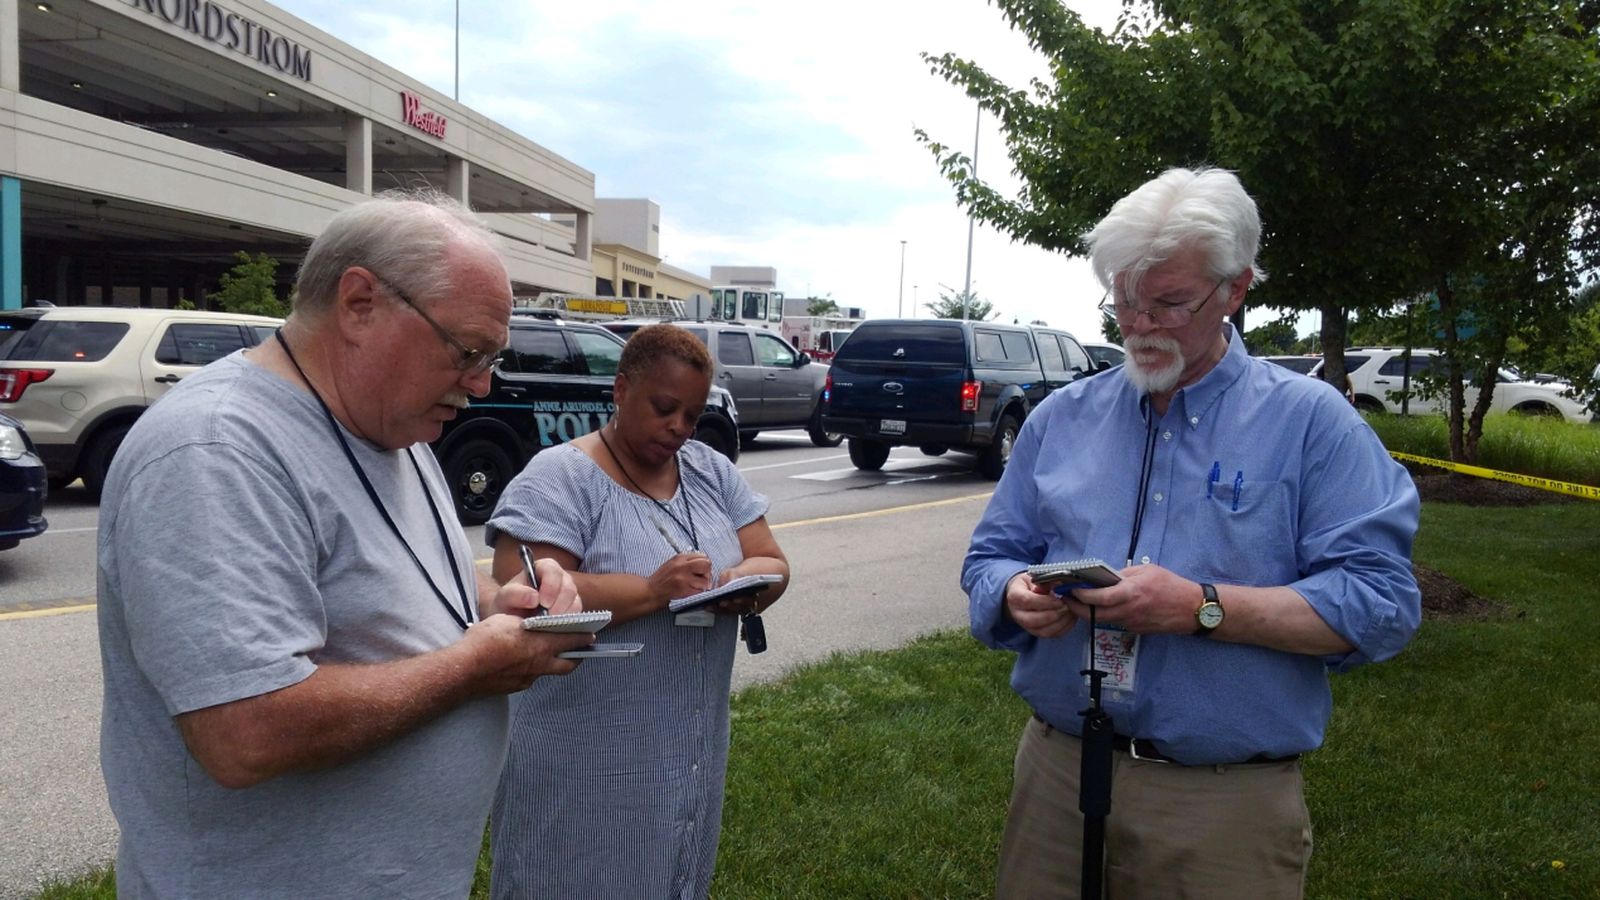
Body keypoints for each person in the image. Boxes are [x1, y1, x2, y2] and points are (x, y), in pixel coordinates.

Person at [96, 191, 595, 898]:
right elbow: (245, 731)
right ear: (360, 303)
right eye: (467, 351)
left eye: (492, 356)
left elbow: (417, 578)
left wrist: (504, 601)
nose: (481, 384)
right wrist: (474, 665)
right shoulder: (215, 450)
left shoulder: (394, 430)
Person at [961, 167, 1421, 898]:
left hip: (1220, 806)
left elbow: (1381, 604)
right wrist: (1013, 592)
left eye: (1170, 303)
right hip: (1057, 776)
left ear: (1235, 289)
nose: (1140, 326)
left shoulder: (1311, 425)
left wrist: (1203, 608)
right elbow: (990, 558)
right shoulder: (1060, 419)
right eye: (1123, 302)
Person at [485, 323, 790, 899]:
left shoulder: (710, 471)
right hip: (583, 757)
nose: (679, 427)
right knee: (572, 878)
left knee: (671, 874)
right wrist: (654, 592)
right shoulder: (562, 476)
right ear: (621, 390)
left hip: (688, 748)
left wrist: (734, 584)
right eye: (664, 407)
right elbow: (525, 589)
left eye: (692, 416)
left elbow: (771, 559)